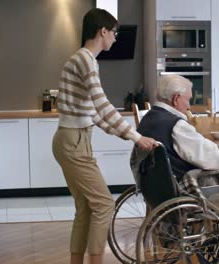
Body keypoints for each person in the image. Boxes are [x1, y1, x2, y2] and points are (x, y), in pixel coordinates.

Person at [52, 8, 158, 264]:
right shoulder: (86, 60)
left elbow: (95, 114)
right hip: (74, 141)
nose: (115, 37)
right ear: (103, 31)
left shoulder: (79, 59)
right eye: (114, 33)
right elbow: (102, 105)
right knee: (103, 204)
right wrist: (135, 136)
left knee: (86, 208)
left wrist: (128, 135)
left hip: (73, 139)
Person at [130, 74, 219, 249]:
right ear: (176, 99)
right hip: (186, 189)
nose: (189, 105)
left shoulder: (149, 118)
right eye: (188, 100)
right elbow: (209, 157)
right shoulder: (175, 125)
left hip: (159, 188)